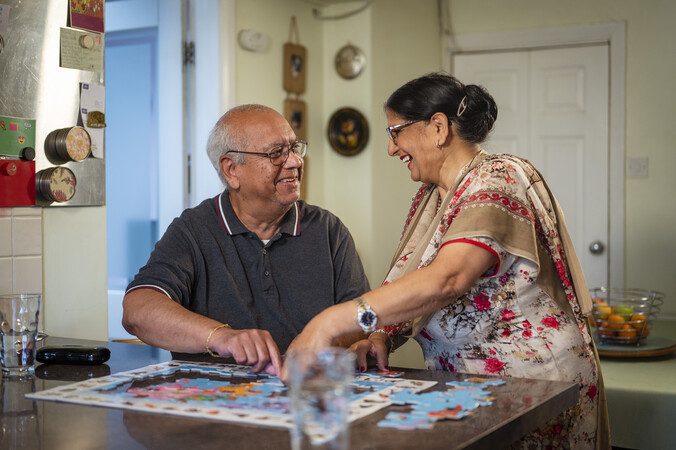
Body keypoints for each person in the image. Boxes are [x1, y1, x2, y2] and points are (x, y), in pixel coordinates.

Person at [284, 74, 610, 448]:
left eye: (396, 133)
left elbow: (448, 278)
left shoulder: (498, 177)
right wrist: (381, 336)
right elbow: (415, 280)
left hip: (534, 384)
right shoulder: (432, 195)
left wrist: (332, 320)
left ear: (438, 127)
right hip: (470, 387)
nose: (392, 149)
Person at [122, 104, 370, 376]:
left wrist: (329, 342)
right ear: (231, 170)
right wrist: (222, 337)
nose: (295, 162)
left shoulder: (328, 229)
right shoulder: (193, 229)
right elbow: (138, 310)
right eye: (276, 153)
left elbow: (363, 319)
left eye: (294, 149)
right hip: (214, 404)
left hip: (311, 395)